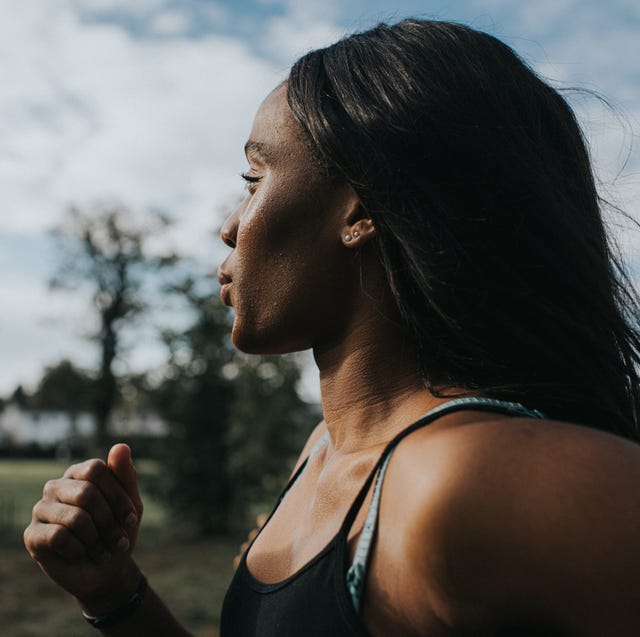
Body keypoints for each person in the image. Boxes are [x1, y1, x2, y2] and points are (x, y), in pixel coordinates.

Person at [23, 18, 640, 636]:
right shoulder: (323, 451)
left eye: (253, 179)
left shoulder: (457, 481)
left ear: (361, 208)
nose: (230, 226)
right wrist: (112, 590)